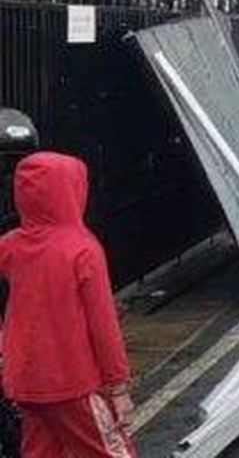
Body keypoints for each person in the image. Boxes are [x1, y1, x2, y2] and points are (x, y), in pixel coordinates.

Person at [0, 152, 137, 458]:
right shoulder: (82, 249)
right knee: (110, 450)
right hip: (72, 378)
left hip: (25, 379)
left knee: (41, 451)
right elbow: (103, 325)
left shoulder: (12, 244)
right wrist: (118, 386)